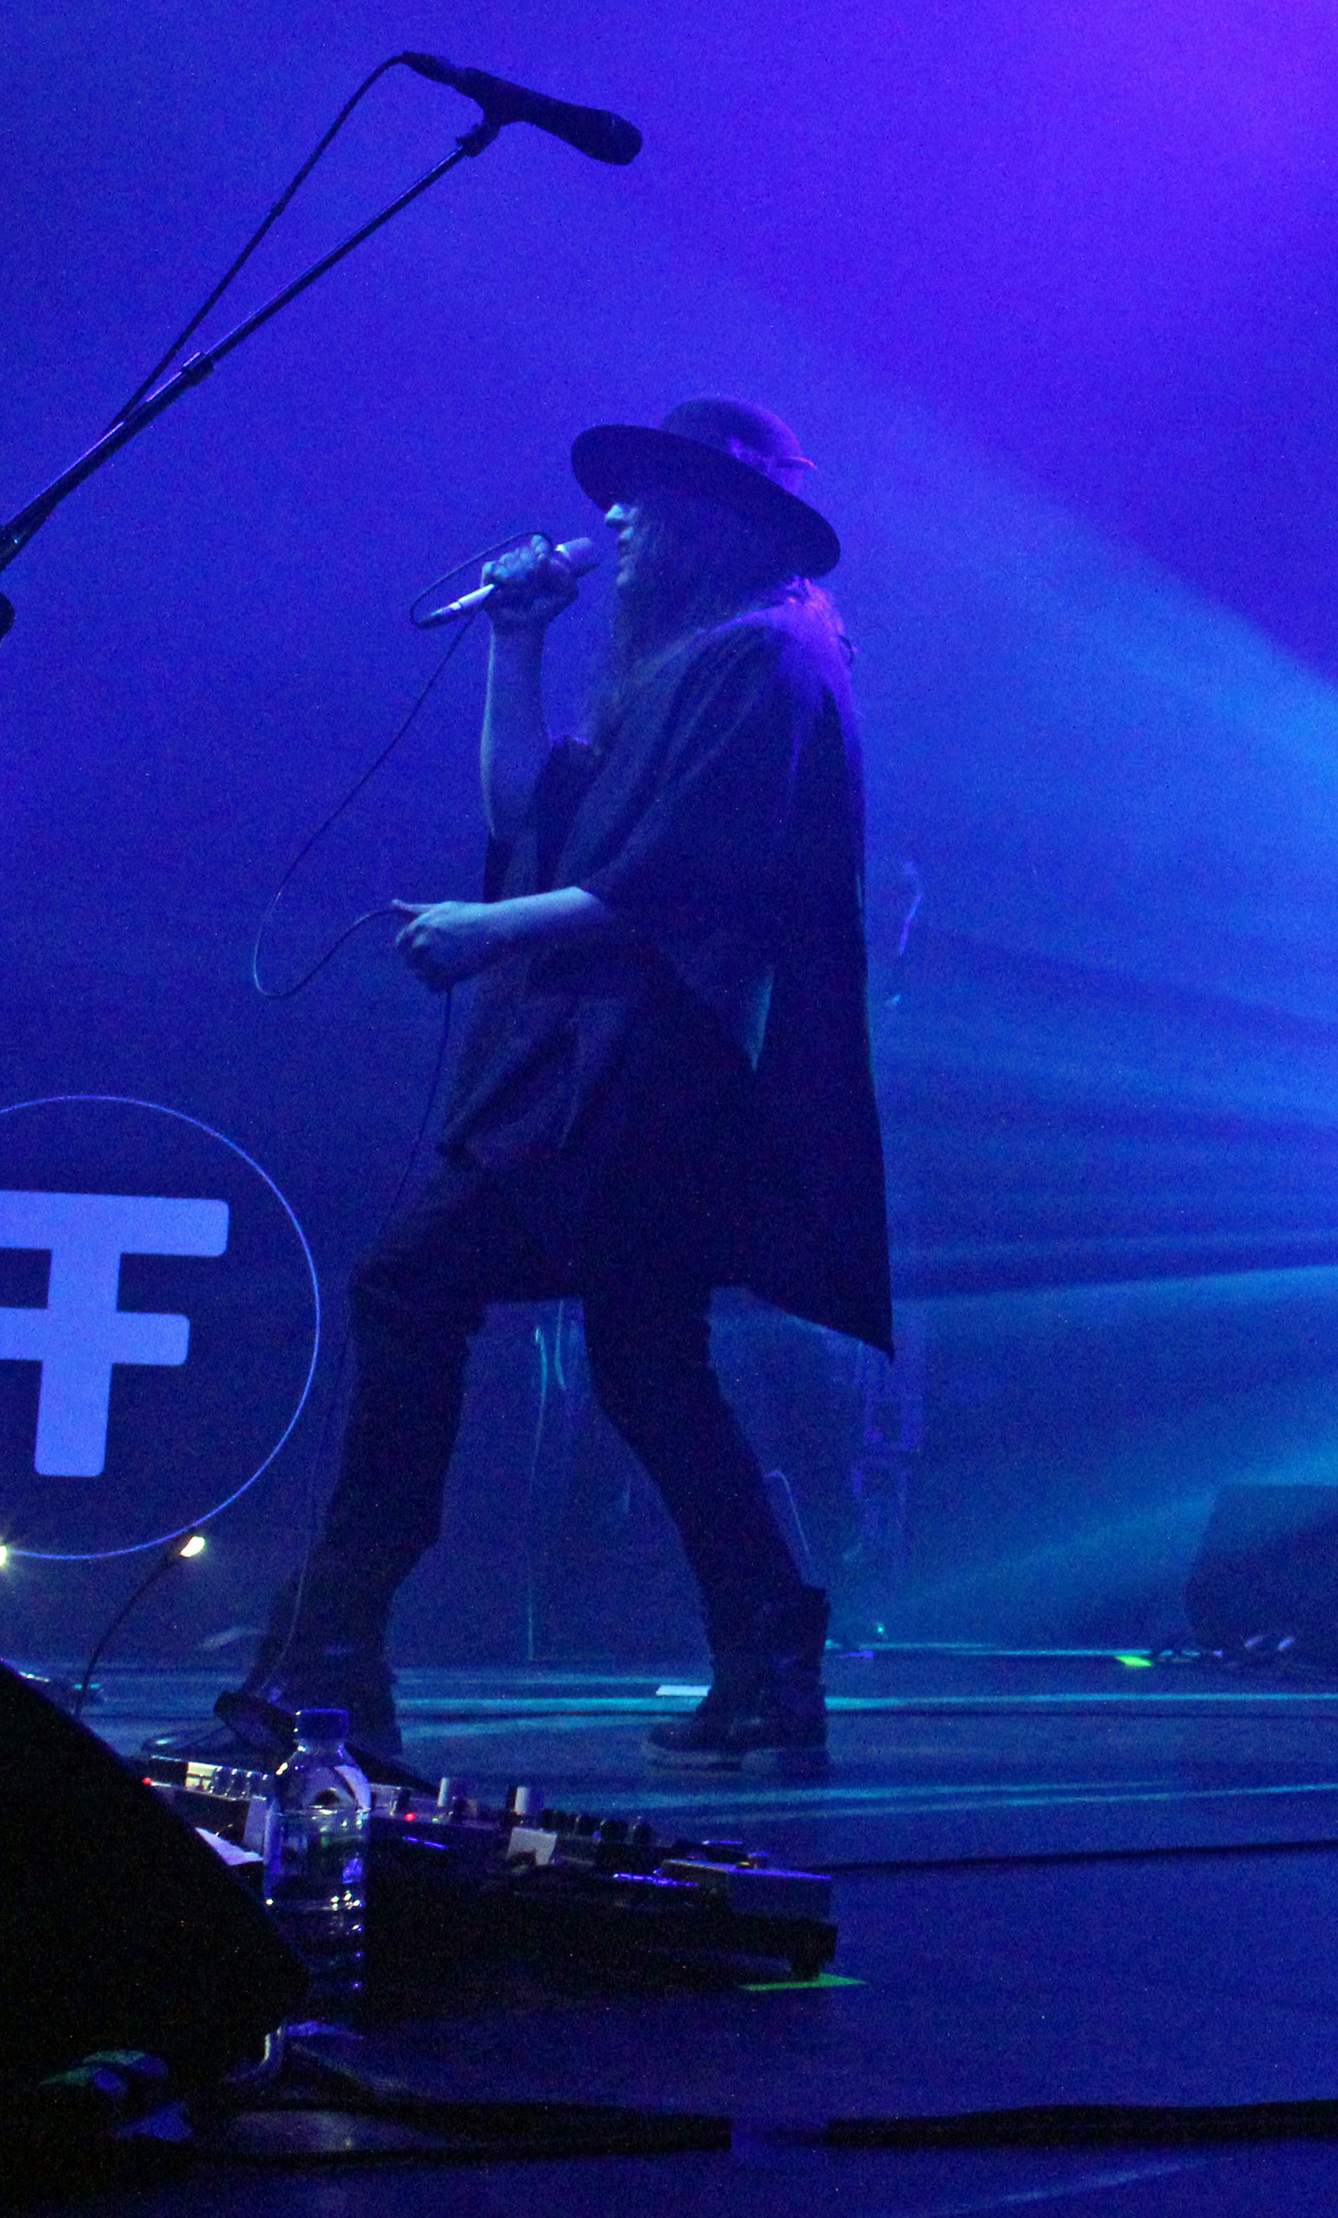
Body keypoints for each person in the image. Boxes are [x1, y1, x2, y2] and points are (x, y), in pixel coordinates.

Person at [227, 396, 892, 1778]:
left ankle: (333, 1652)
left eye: (645, 496)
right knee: (648, 1359)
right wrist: (515, 643)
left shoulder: (770, 656)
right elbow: (525, 814)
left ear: (714, 516)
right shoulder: (692, 657)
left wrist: (489, 935)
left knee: (413, 1284)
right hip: (615, 1063)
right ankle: (768, 1650)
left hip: (638, 1075)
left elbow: (687, 883)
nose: (616, 519)